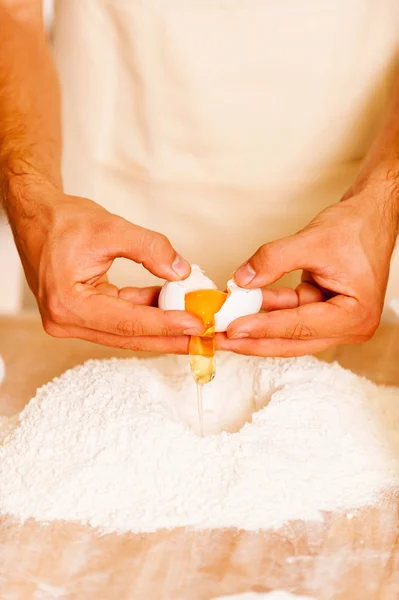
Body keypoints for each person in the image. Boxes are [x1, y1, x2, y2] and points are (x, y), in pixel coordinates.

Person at [0, 0, 398, 357]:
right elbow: (12, 11)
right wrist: (31, 192)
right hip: (106, 166)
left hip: (352, 177)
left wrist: (384, 199)